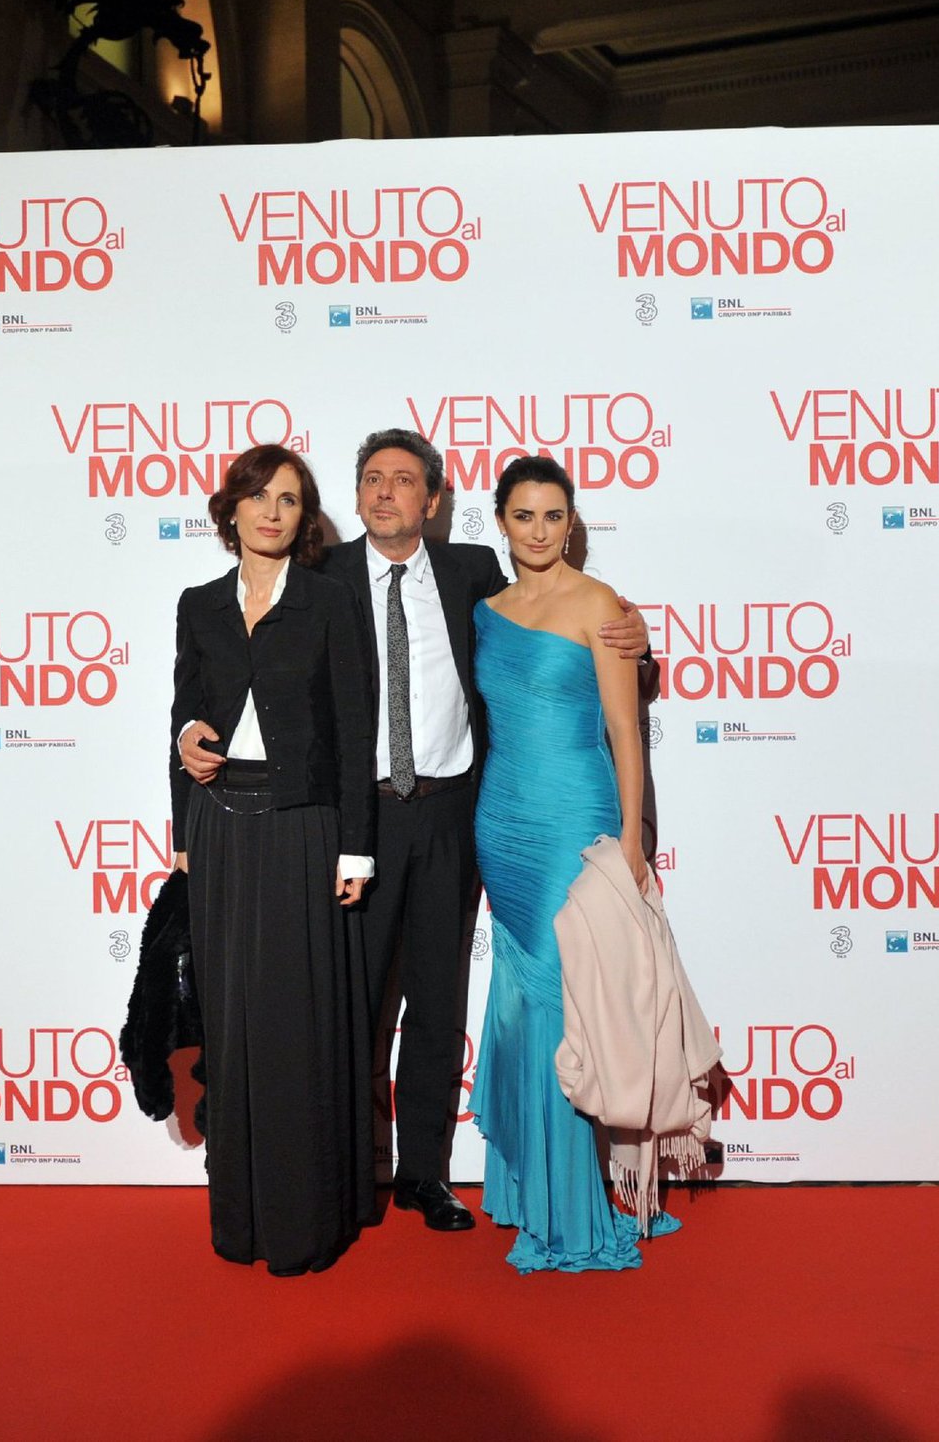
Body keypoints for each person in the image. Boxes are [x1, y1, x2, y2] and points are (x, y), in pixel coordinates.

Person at [180, 429, 645, 1234]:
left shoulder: (474, 575)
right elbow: (236, 664)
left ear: (433, 502)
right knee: (349, 1001)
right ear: (355, 497)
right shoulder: (314, 579)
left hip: (456, 812)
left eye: (404, 481)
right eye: (372, 479)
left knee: (437, 998)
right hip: (348, 818)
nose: (386, 492)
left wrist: (631, 632)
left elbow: (552, 609)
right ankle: (349, 1169)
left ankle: (425, 1176)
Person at [168, 445, 376, 1276]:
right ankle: (240, 1217)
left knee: (294, 1024)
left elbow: (355, 730)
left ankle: (304, 1223)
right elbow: (183, 711)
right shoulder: (198, 605)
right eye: (258, 496)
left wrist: (355, 842)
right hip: (219, 827)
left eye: (289, 500)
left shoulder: (328, 604)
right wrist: (185, 760)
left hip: (303, 828)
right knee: (233, 1022)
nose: (272, 512)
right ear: (231, 510)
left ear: (304, 518)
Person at [470, 455, 674, 1272]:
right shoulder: (484, 611)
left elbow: (627, 732)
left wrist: (631, 837)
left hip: (576, 822)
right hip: (502, 822)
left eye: (554, 516)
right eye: (525, 515)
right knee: (521, 1006)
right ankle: (527, 1187)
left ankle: (574, 1209)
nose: (540, 531)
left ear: (572, 522)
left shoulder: (601, 605)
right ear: (502, 521)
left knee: (566, 1002)